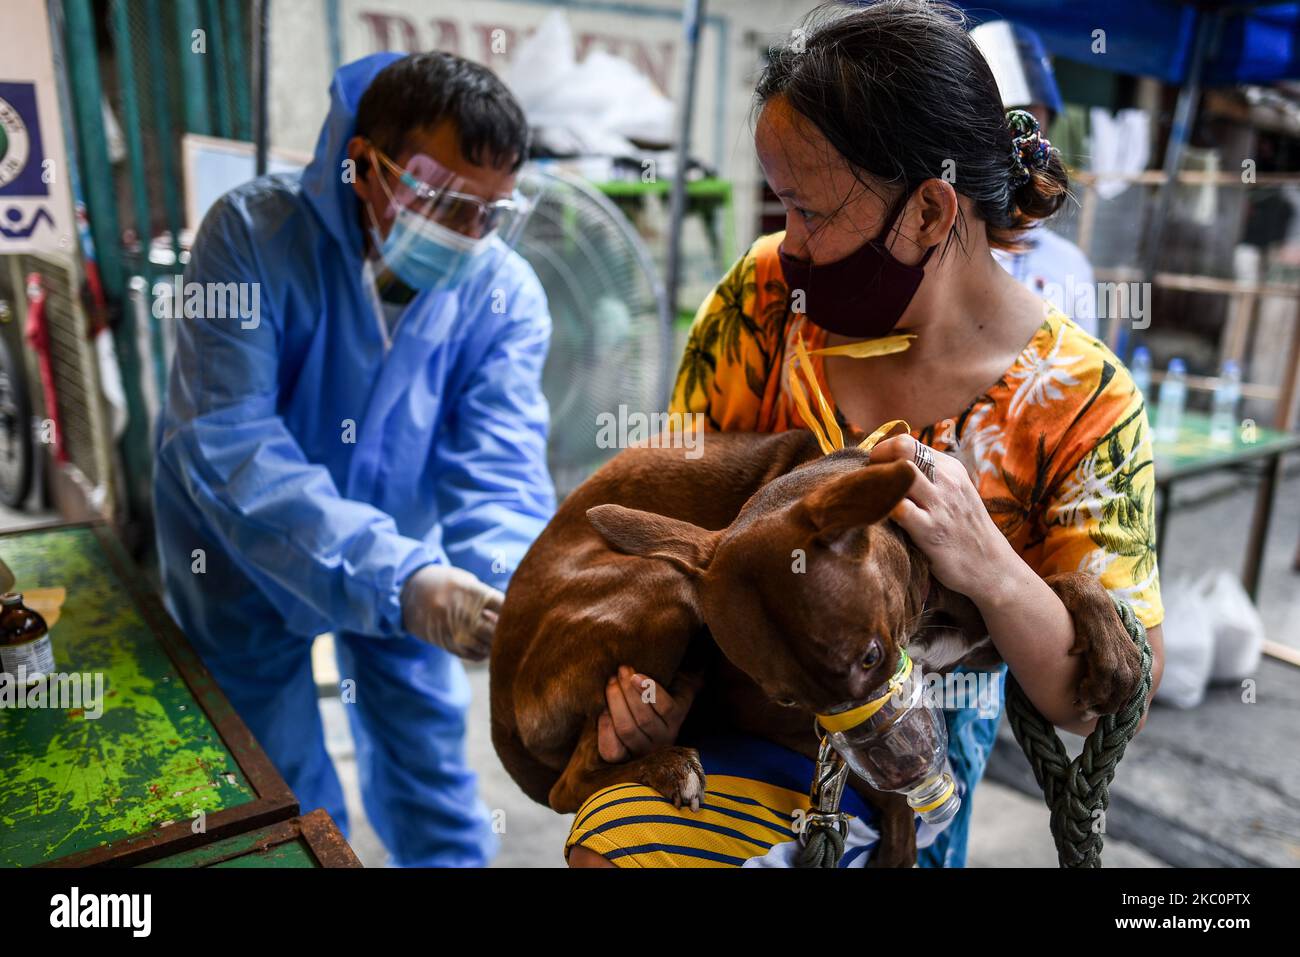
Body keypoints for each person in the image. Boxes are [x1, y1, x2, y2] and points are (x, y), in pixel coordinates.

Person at [567, 0, 1165, 868]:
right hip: (737, 716)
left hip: (902, 773)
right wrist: (652, 691)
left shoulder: (1080, 404)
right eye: (781, 206)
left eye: (811, 212)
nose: (788, 243)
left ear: (928, 210)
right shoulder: (761, 306)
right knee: (613, 847)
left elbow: (1104, 700)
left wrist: (985, 559)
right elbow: (675, 509)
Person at [153, 51, 555, 867]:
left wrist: (517, 592)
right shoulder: (250, 237)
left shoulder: (501, 291)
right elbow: (230, 440)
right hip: (241, 557)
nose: (465, 234)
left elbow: (499, 467)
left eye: (490, 213)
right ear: (363, 163)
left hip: (415, 559)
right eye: (439, 199)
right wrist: (397, 578)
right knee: (275, 784)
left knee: (430, 766)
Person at [971, 19, 1101, 337]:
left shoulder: (1069, 265)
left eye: (1036, 134)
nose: (1025, 154)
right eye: (1013, 131)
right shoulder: (939, 248)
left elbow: (1087, 375)